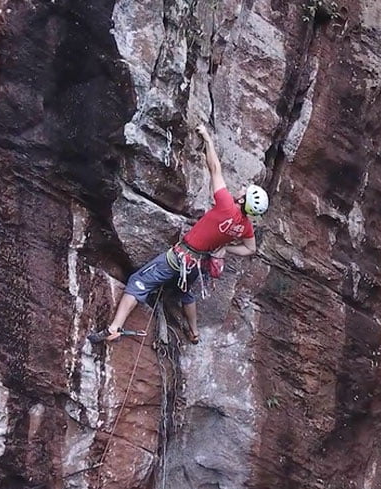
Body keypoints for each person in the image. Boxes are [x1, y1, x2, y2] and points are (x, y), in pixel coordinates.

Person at [91, 123, 268, 344]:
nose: (241, 189)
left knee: (139, 280)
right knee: (185, 293)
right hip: (197, 264)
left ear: (243, 201)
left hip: (178, 259)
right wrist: (225, 247)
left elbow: (215, 168)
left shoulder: (226, 205)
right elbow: (250, 248)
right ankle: (194, 332)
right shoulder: (245, 227)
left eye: (245, 191)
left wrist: (208, 139)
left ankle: (114, 329)